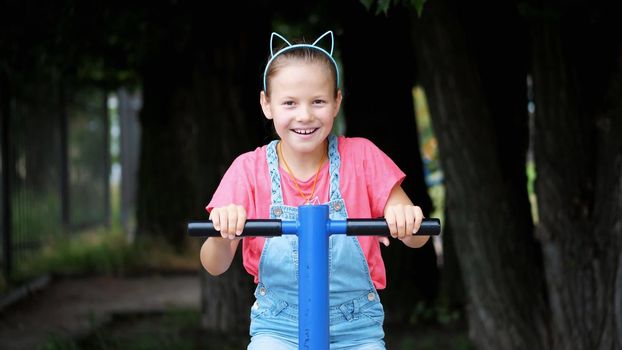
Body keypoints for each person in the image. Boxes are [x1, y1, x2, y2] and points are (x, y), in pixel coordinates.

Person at [200, 30, 429, 350]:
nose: (305, 115)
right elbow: (214, 264)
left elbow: (418, 237)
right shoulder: (248, 171)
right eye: (289, 103)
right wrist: (223, 232)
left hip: (355, 326)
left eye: (318, 101)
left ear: (337, 102)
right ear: (267, 104)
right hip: (278, 325)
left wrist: (405, 219)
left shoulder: (362, 157)